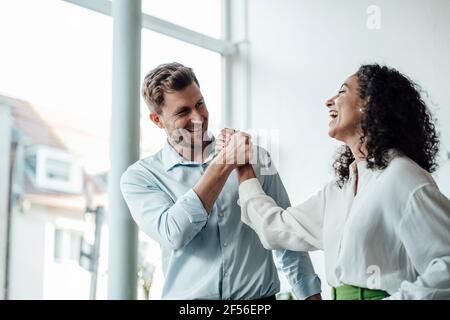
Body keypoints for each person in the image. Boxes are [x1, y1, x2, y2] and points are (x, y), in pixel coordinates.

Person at [217, 64, 450, 300]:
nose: (329, 101)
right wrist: (243, 166)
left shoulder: (403, 177)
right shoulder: (340, 189)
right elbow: (275, 229)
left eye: (342, 92)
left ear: (369, 103)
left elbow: (446, 268)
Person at [120, 62, 322, 300]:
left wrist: (310, 295)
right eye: (183, 112)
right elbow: (173, 233)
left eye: (200, 104)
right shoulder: (141, 177)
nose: (198, 118)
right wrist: (224, 163)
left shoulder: (255, 158)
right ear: (157, 120)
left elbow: (285, 235)